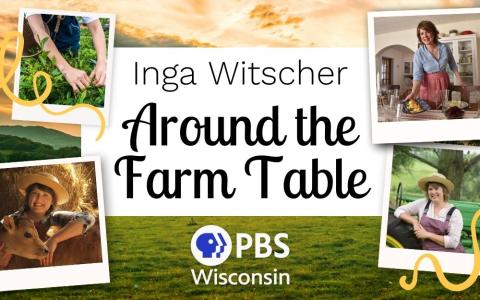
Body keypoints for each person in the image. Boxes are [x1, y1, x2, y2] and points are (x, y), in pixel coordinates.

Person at [0, 173, 95, 268]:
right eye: (35, 193)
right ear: (27, 197)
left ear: (52, 201)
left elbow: (88, 218)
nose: (39, 199)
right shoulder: (11, 221)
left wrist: (55, 239)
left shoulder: (54, 217)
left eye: (45, 195)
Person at [25, 14, 107, 93]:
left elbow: (96, 28)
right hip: (41, 38)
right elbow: (39, 31)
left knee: (71, 59)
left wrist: (102, 62)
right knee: (42, 65)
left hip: (68, 33)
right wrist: (66, 69)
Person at [394, 173, 464, 253]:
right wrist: (414, 221)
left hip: (449, 255)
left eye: (436, 188)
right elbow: (399, 211)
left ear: (444, 190)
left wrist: (427, 234)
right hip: (428, 253)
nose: (433, 192)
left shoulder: (454, 213)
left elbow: (453, 242)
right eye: (430, 189)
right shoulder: (423, 203)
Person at [405, 20, 465, 108]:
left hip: (444, 81)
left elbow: (452, 64)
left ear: (433, 32)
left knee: (445, 107)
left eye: (427, 32)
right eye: (421, 33)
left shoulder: (445, 47)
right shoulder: (419, 53)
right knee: (430, 108)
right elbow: (417, 76)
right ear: (419, 36)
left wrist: (460, 80)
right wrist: (413, 93)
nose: (425, 36)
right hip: (428, 85)